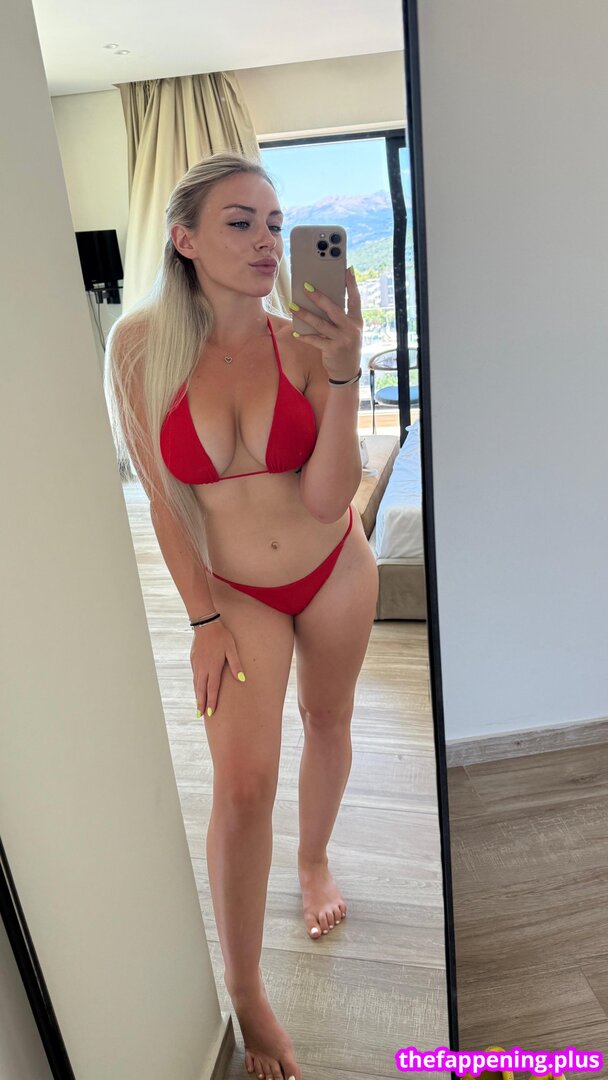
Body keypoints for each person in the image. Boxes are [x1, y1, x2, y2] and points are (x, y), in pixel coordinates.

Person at [106, 151, 379, 1080]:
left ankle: (314, 861)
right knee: (243, 786)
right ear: (184, 240)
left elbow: (328, 497)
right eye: (240, 222)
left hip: (333, 565)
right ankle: (248, 993)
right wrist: (200, 620)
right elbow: (160, 494)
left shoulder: (302, 340)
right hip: (234, 592)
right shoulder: (137, 348)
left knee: (328, 719)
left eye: (275, 224)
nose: (266, 241)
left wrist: (342, 375)